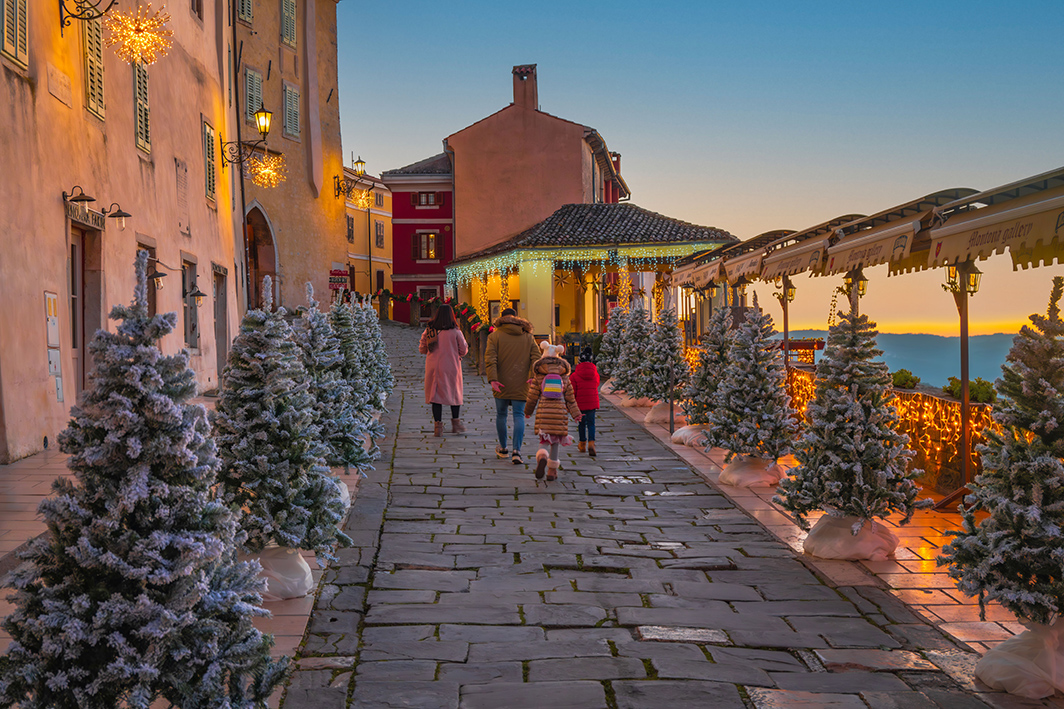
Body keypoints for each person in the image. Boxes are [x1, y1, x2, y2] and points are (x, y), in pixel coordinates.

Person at [485, 307, 540, 465]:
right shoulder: (528, 337)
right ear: (517, 318)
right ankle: (517, 451)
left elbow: (490, 359)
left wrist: (493, 379)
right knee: (519, 415)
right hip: (522, 382)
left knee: (501, 415)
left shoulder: (494, 337)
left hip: (500, 383)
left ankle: (503, 449)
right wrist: (532, 376)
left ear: (501, 319)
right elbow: (536, 357)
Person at [525, 342, 581, 482]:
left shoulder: (539, 376)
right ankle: (552, 471)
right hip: (560, 414)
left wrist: (528, 411)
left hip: (544, 413)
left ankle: (542, 457)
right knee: (555, 442)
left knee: (544, 440)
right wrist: (576, 414)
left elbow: (532, 397)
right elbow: (571, 399)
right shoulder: (564, 377)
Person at [419, 304, 469, 437]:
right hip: (451, 366)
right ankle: (456, 424)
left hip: (433, 366)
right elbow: (463, 350)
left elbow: (422, 349)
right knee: (454, 394)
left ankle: (438, 427)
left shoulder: (430, 331)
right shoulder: (456, 332)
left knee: (435, 396)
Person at [570, 346, 600, 457]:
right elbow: (596, 384)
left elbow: (572, 391)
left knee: (582, 424)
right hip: (592, 402)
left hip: (580, 403)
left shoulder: (574, 375)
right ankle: (591, 443)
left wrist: (571, 405)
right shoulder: (595, 374)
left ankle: (582, 443)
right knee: (591, 424)